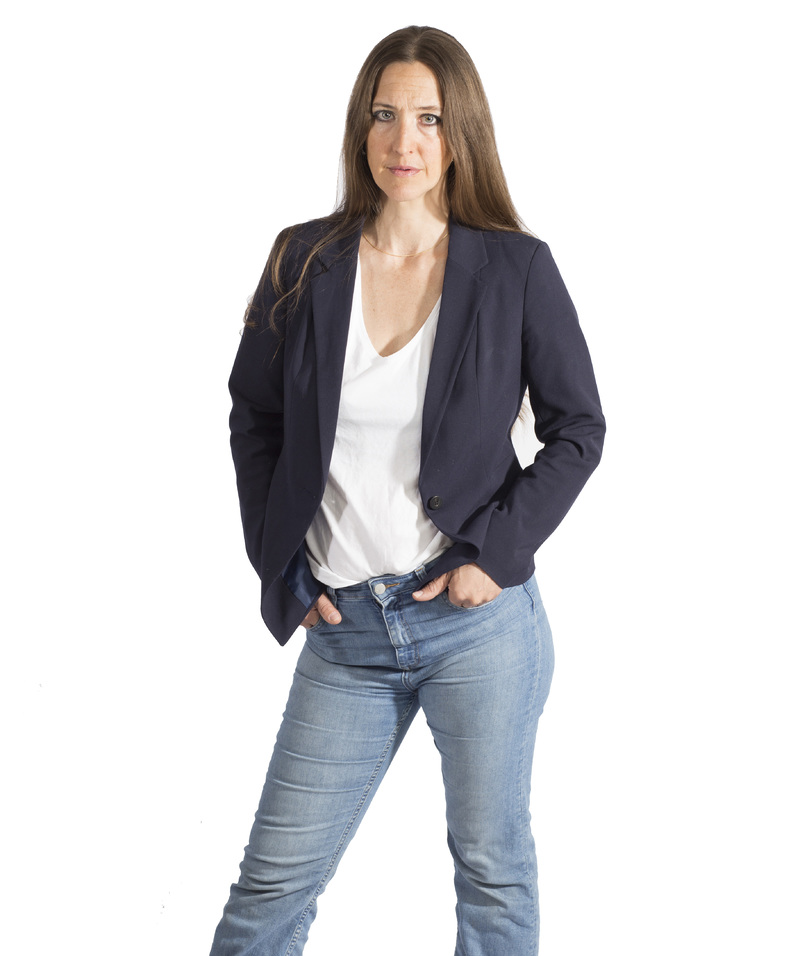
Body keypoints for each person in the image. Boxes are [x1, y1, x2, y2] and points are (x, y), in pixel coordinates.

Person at [210, 24, 605, 956]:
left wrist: (493, 557)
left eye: (428, 118)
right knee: (270, 887)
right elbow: (254, 418)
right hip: (344, 632)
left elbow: (579, 429)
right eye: (385, 116)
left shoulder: (515, 269)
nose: (404, 142)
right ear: (362, 128)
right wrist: (281, 565)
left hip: (477, 628)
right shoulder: (302, 261)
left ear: (460, 132)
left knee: (491, 873)